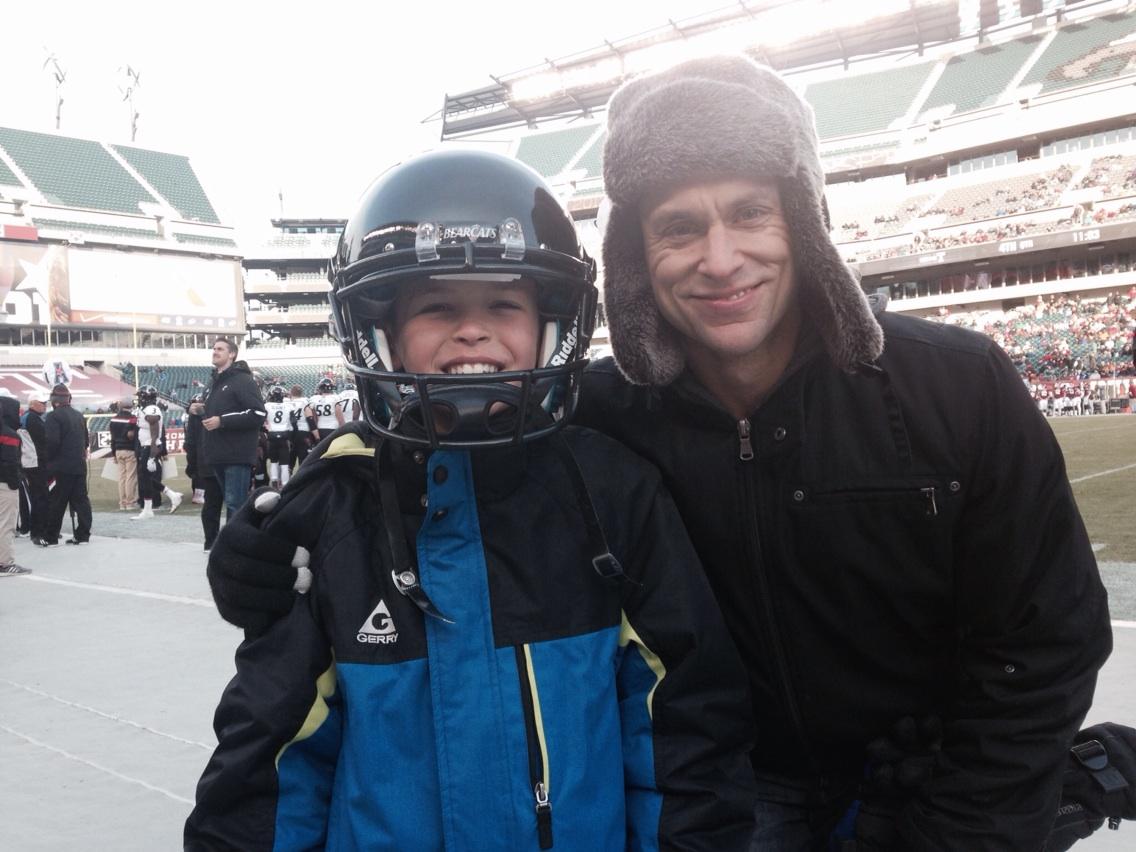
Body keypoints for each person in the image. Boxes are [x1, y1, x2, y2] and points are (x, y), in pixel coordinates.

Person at [208, 57, 1115, 849]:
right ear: (637, 254)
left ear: (804, 219)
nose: (720, 259)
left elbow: (1046, 641)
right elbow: (427, 463)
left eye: (751, 213)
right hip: (739, 794)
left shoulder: (954, 386)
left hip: (938, 780)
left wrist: (966, 823)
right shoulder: (595, 418)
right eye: (679, 226)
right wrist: (264, 550)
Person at [185, 149, 756, 850]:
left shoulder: (611, 492)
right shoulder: (336, 507)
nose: (473, 329)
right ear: (382, 333)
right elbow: (270, 760)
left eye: (503, 303)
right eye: (437, 306)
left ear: (552, 325)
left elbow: (685, 731)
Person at [191, 338, 265, 519]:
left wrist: (222, 421)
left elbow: (258, 413)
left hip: (236, 454)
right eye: (214, 348)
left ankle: (235, 537)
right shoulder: (212, 382)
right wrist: (198, 409)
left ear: (232, 354)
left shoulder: (243, 380)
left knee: (235, 504)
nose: (215, 352)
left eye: (220, 349)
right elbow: (216, 412)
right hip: (216, 453)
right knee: (228, 502)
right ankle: (230, 536)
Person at [40, 383, 91, 546]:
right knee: (81, 501)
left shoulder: (53, 416)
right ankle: (83, 535)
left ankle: (51, 537)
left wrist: (47, 459)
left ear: (54, 400)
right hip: (79, 465)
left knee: (57, 502)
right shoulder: (79, 415)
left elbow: (52, 442)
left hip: (60, 467)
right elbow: (86, 441)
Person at [130, 385, 182, 519]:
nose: (139, 399)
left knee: (145, 476)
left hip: (150, 447)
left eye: (140, 396)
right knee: (145, 477)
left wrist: (152, 454)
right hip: (146, 446)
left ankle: (167, 498)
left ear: (145, 397)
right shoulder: (145, 409)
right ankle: (167, 498)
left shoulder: (151, 409)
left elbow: (154, 429)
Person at [184, 392, 223, 552]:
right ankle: (229, 542)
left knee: (211, 504)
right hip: (228, 459)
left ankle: (210, 542)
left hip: (207, 461)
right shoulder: (225, 407)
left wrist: (192, 465)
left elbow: (190, 443)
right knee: (234, 503)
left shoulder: (197, 413)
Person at [0, 393, 29, 576]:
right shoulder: (9, 435)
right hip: (4, 484)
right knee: (6, 524)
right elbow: (10, 462)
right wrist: (14, 482)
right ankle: (5, 563)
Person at [18, 389, 48, 542]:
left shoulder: (26, 417)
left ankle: (37, 531)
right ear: (33, 404)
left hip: (29, 462)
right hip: (35, 463)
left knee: (38, 497)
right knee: (40, 498)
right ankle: (38, 532)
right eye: (42, 403)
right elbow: (43, 440)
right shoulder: (33, 419)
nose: (45, 405)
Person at [108, 398, 139, 511]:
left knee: (121, 478)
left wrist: (113, 452)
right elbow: (132, 436)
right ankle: (130, 502)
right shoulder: (133, 419)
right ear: (131, 406)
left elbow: (112, 438)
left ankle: (122, 503)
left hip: (118, 450)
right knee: (130, 477)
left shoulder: (114, 419)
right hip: (129, 450)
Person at [262, 385, 294, 489]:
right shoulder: (288, 406)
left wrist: (265, 430)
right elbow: (294, 422)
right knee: (284, 464)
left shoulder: (267, 405)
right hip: (284, 435)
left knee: (273, 461)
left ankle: (274, 482)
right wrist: (291, 436)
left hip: (272, 436)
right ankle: (285, 484)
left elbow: (262, 420)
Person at [304, 376, 340, 442]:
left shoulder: (314, 399)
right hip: (334, 428)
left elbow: (314, 417)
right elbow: (339, 416)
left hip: (320, 428)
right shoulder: (336, 398)